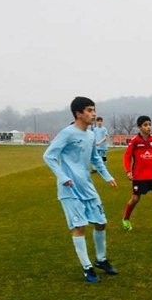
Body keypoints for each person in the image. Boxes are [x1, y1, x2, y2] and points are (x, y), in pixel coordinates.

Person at [42, 96, 118, 283]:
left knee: (101, 222)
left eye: (94, 110)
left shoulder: (91, 135)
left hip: (87, 186)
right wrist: (63, 177)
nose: (94, 114)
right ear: (79, 114)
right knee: (79, 227)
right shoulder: (67, 133)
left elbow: (96, 158)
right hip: (70, 190)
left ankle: (101, 260)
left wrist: (107, 176)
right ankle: (87, 267)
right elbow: (49, 156)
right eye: (90, 110)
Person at [122, 115, 152, 233]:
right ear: (140, 127)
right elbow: (127, 156)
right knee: (135, 199)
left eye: (149, 124)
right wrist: (128, 171)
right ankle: (125, 218)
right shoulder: (134, 141)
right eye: (145, 125)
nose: (148, 127)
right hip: (139, 176)